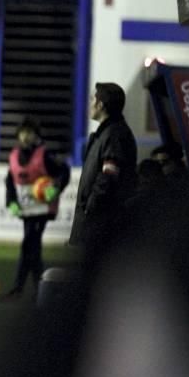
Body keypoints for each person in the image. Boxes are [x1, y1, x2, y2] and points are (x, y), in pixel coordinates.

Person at [4, 117, 70, 297]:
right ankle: (36, 286)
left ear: (36, 135)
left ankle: (25, 287)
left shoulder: (45, 155)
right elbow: (9, 181)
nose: (26, 136)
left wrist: (55, 189)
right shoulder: (15, 155)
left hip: (42, 208)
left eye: (30, 133)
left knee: (30, 244)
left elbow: (64, 171)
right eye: (23, 133)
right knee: (31, 245)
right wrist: (11, 202)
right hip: (26, 209)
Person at [69, 82, 137, 251]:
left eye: (93, 98)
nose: (89, 103)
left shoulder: (114, 135)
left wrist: (90, 210)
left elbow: (109, 176)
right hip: (95, 222)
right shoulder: (107, 133)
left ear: (101, 105)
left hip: (99, 224)